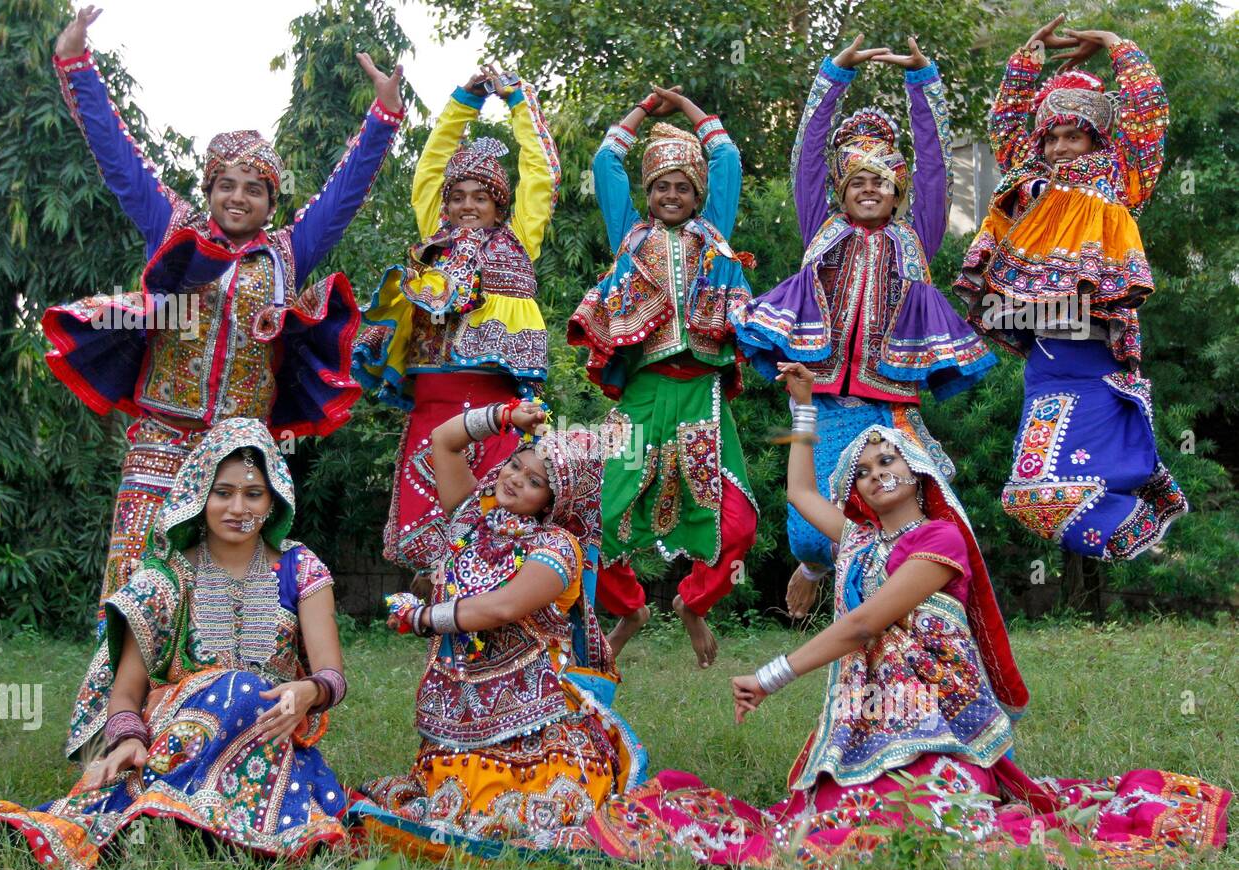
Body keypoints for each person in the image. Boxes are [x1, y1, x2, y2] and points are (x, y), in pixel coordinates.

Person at [582, 364, 1230, 869]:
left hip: (938, 726)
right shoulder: (861, 543)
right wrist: (805, 409)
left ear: (919, 471)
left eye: (886, 460)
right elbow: (802, 492)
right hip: (867, 727)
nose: (874, 474)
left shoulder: (940, 544)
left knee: (924, 830)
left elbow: (866, 626)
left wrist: (773, 674)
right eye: (862, 471)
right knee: (816, 830)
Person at [46, 6, 404, 758]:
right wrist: (77, 65)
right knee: (137, 580)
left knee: (231, 589)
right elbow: (120, 158)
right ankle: (114, 732)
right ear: (207, 189)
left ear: (274, 202)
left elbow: (344, 195)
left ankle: (220, 732)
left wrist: (383, 118)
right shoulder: (173, 231)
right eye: (226, 185)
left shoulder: (286, 257)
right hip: (161, 440)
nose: (238, 198)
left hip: (239, 456)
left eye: (255, 188)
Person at [0, 419, 353, 870]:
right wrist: (128, 739)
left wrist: (306, 692)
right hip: (177, 738)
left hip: (270, 737)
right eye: (222, 492)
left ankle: (189, 819)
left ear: (273, 499)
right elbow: (126, 694)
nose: (238, 508)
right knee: (237, 687)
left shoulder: (300, 567)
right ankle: (185, 814)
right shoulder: (163, 581)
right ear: (199, 496)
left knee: (251, 694)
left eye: (253, 494)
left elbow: (332, 677)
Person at [739, 34, 996, 616]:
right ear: (839, 191)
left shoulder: (916, 237)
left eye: (882, 180)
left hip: (889, 404)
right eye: (858, 180)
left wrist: (923, 81)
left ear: (898, 191)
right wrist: (833, 75)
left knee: (913, 522)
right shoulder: (821, 230)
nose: (871, 188)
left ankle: (906, 618)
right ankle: (814, 570)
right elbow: (806, 154)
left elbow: (936, 169)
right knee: (810, 531)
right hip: (822, 397)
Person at [349, 403, 645, 856]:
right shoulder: (472, 517)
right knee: (449, 803)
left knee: (513, 815)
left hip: (536, 717)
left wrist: (424, 618)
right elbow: (444, 442)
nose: (514, 479)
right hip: (458, 709)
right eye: (514, 464)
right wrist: (505, 416)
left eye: (534, 482)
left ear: (555, 500)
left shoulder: (558, 548)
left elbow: (502, 606)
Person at [954, 16, 1186, 560]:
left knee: (1038, 497)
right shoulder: (1029, 178)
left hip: (1095, 357)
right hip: (1045, 361)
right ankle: (1147, 499)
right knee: (1027, 501)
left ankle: (1145, 510)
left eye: (1073, 135)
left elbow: (1149, 115)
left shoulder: (1116, 175)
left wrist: (1112, 44)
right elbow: (1007, 122)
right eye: (1052, 137)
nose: (1060, 148)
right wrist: (1028, 56)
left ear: (1096, 139)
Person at [568, 85, 756, 667]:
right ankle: (628, 608)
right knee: (597, 512)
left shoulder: (714, 231)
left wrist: (687, 106)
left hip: (702, 393)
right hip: (645, 395)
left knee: (738, 520)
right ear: (646, 195)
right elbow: (605, 160)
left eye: (683, 187)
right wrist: (647, 109)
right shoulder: (627, 233)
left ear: (699, 195)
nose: (672, 195)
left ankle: (694, 603)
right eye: (661, 186)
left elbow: (727, 158)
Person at [353, 65, 560, 573]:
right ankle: (438, 623)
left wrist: (515, 99)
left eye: (481, 197)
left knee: (497, 532)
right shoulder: (434, 242)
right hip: (433, 405)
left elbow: (542, 172)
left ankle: (496, 631)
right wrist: (463, 102)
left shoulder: (519, 240)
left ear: (500, 204)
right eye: (457, 196)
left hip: (497, 407)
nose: (467, 205)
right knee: (430, 542)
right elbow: (429, 167)